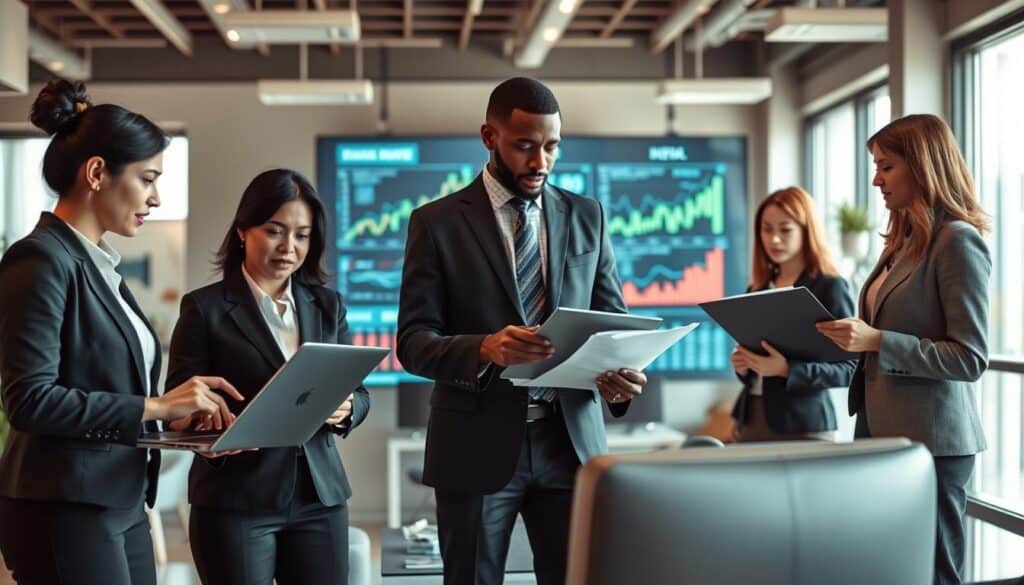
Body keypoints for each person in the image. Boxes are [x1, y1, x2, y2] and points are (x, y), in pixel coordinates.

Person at [396, 77, 647, 585]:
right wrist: (484, 348)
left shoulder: (587, 217)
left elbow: (611, 323)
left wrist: (620, 374)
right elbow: (413, 343)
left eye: (552, 146)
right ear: (489, 137)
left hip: (570, 442)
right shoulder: (436, 223)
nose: (541, 163)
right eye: (525, 146)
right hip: (475, 445)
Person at [0, 79, 242, 585]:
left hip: (120, 498)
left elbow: (105, 390)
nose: (155, 198)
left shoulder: (100, 267)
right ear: (95, 173)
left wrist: (177, 431)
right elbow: (30, 400)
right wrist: (158, 407)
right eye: (148, 178)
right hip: (63, 507)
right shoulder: (40, 259)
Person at [165, 168, 370, 585]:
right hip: (236, 501)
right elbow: (178, 408)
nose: (288, 247)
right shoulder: (205, 309)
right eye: (274, 231)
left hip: (319, 497)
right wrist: (201, 426)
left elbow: (359, 393)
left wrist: (349, 408)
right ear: (243, 230)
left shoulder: (328, 306)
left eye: (301, 235)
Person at [817, 114, 990, 585]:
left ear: (923, 166)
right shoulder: (903, 241)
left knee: (934, 573)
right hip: (880, 431)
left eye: (886, 166)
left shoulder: (957, 241)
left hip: (932, 443)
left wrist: (877, 340)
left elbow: (971, 357)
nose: (876, 179)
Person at [730, 186, 856, 442]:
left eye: (785, 230)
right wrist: (743, 366)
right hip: (751, 419)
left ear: (806, 230)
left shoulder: (829, 287)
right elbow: (756, 364)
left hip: (805, 423)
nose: (774, 239)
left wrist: (788, 370)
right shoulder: (756, 288)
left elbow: (850, 368)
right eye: (767, 229)